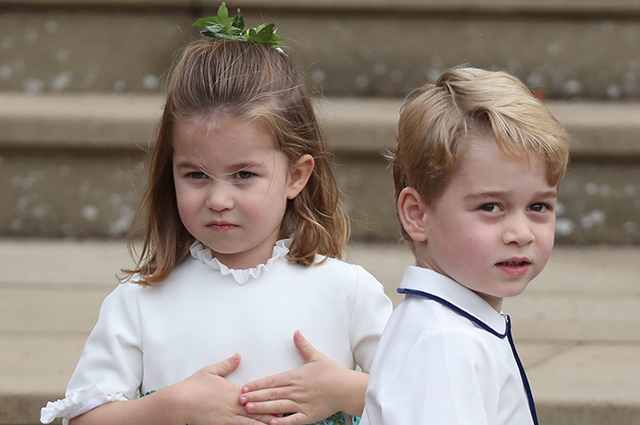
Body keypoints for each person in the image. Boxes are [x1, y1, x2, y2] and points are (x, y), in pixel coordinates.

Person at [40, 6, 392, 425]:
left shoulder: (348, 294)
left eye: (244, 174)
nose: (218, 198)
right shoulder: (140, 303)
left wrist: (349, 391)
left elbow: (427, 396)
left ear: (296, 176)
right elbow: (82, 418)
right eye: (196, 174)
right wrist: (171, 407)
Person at [360, 67, 570, 425]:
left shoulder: (448, 324)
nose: (520, 233)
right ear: (417, 215)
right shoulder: (446, 342)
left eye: (538, 207)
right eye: (491, 207)